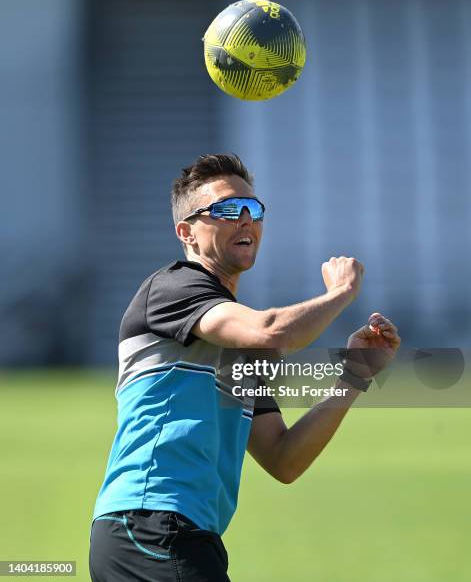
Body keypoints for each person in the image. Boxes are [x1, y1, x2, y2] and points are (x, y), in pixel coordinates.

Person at [89, 154, 401, 581]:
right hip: (151, 526)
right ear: (187, 233)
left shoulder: (234, 344)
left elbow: (284, 458)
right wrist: (342, 293)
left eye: (252, 209)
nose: (245, 220)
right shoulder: (174, 286)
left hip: (180, 533)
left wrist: (355, 375)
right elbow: (273, 331)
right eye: (226, 210)